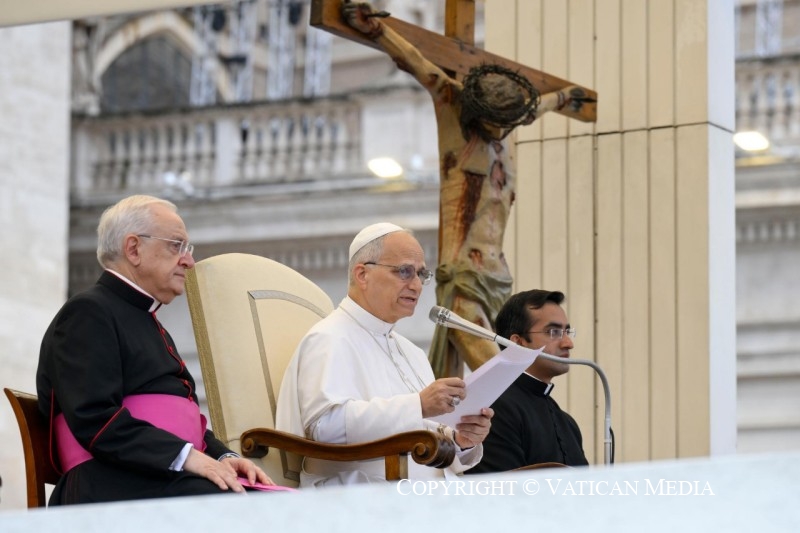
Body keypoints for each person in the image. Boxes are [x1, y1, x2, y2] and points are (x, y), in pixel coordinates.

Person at [341, 1, 594, 377]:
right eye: (494, 122)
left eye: (507, 122)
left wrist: (561, 97)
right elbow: (421, 66)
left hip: (499, 277)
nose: (501, 129)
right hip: (465, 278)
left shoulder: (507, 135)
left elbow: (536, 107)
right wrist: (379, 32)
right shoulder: (456, 121)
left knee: (515, 374)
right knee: (502, 377)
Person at [36, 195, 274, 505]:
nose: (188, 261)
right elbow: (94, 418)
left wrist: (222, 456)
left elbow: (181, 420)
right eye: (176, 246)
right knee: (253, 506)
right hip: (107, 482)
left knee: (278, 501)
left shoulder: (149, 322)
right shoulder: (88, 312)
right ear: (133, 248)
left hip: (154, 474)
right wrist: (185, 456)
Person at [276, 222, 494, 486]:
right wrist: (419, 404)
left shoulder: (411, 352)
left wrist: (462, 441)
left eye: (421, 274)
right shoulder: (329, 338)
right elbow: (326, 427)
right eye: (404, 271)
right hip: (359, 496)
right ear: (362, 274)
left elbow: (425, 440)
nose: (416, 285)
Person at [467, 290, 588, 473]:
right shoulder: (494, 408)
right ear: (518, 342)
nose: (568, 343)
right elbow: (498, 491)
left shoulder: (568, 424)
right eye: (554, 332)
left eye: (567, 331)